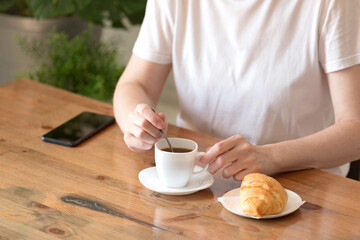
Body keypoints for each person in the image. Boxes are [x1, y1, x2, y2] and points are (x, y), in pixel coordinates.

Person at [113, 0, 360, 181]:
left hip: (300, 187)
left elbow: (355, 129)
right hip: (195, 181)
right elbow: (135, 84)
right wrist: (135, 123)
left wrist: (271, 157)